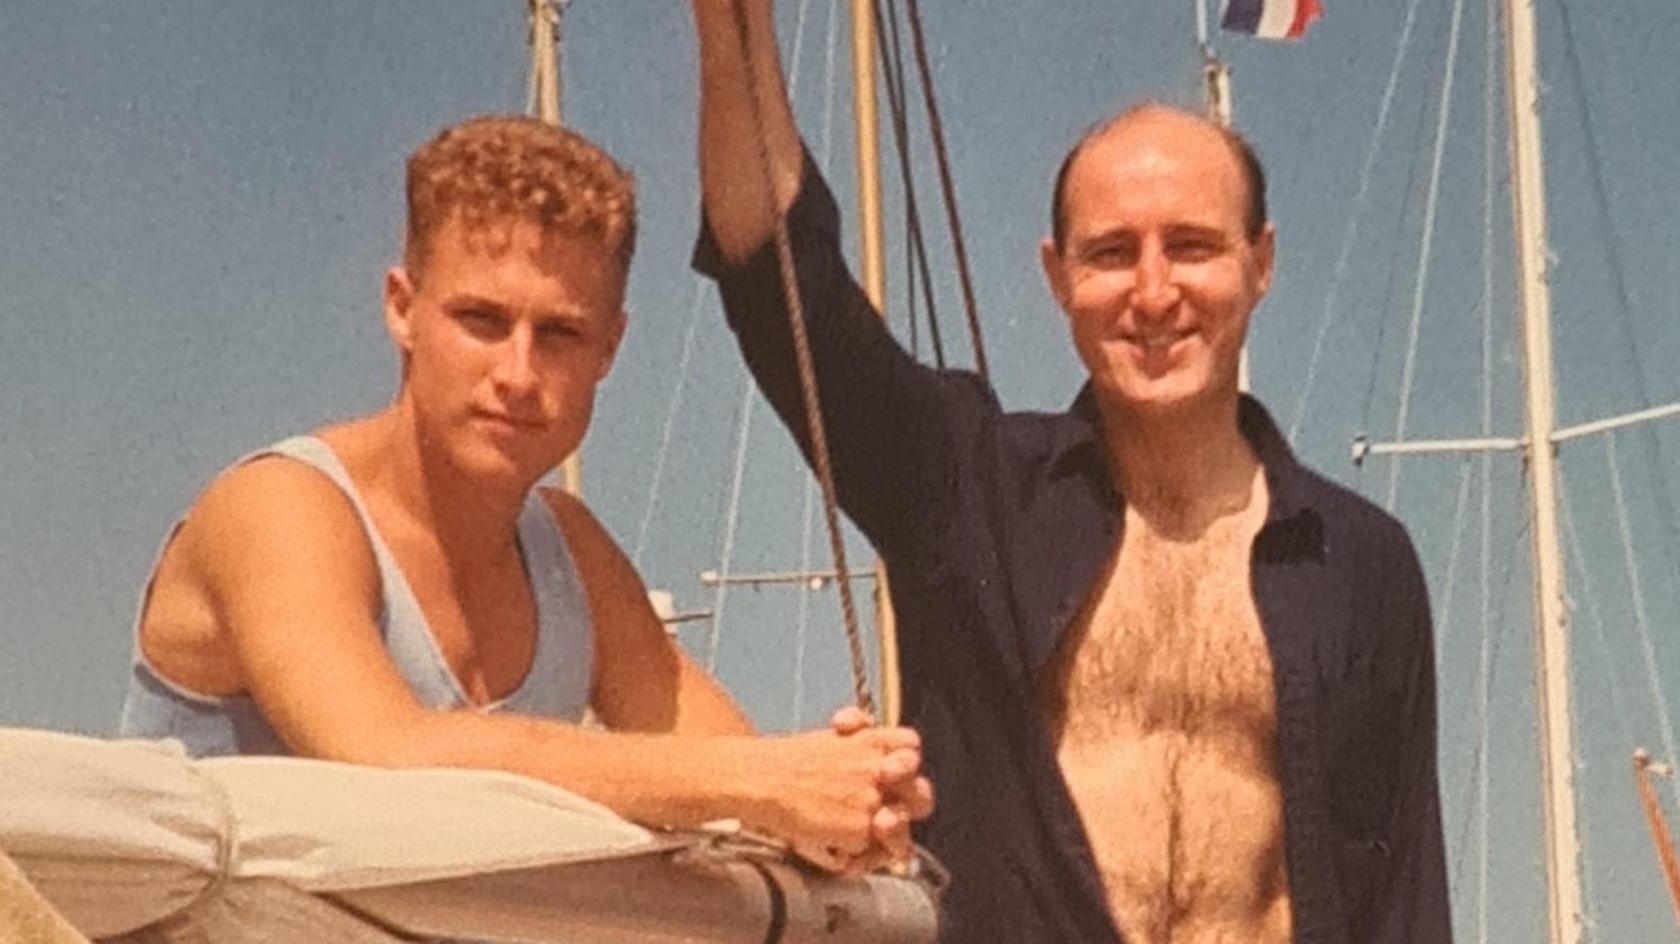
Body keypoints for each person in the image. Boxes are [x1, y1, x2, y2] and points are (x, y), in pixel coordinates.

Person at [689, 2, 1451, 941]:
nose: (1155, 291)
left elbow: (1406, 895)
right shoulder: (964, 489)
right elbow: (777, 278)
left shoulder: (1363, 562)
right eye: (1111, 254)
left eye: (1194, 245)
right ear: (1057, 277)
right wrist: (733, 28)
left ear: (1262, 265)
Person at [118, 114, 931, 874]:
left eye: (559, 334)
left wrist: (852, 797)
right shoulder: (279, 509)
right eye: (480, 319)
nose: (516, 374)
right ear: (403, 310)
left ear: (609, 348)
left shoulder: (569, 550)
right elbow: (385, 754)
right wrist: (768, 784)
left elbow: (725, 754)